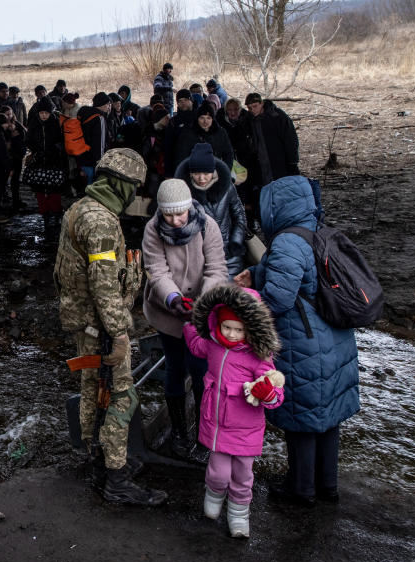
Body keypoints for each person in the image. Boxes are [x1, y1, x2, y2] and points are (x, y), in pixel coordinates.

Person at [234, 176, 359, 506]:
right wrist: (260, 272)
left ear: (277, 207)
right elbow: (306, 279)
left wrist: (242, 300)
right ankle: (327, 486)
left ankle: (301, 489)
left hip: (305, 343)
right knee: (328, 417)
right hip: (334, 338)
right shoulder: (317, 230)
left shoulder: (287, 242)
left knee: (301, 419)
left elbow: (278, 299)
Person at [53, 147, 166, 506]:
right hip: (99, 328)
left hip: (82, 323)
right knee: (120, 396)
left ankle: (98, 461)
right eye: (134, 187)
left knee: (92, 390)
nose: (135, 194)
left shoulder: (80, 207)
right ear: (122, 185)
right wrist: (119, 333)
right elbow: (103, 286)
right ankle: (115, 477)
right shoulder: (101, 222)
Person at [184, 284, 284, 538]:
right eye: (226, 326)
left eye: (238, 329)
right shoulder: (214, 344)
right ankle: (213, 499)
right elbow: (196, 345)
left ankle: (239, 515)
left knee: (242, 475)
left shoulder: (259, 356)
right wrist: (191, 320)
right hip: (217, 424)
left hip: (246, 429)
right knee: (218, 473)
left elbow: (274, 393)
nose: (231, 333)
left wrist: (267, 393)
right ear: (218, 322)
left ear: (249, 329)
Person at [142, 178, 229, 462]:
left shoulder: (207, 226)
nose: (176, 221)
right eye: (169, 215)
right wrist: (173, 299)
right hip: (168, 310)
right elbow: (156, 270)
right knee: (175, 368)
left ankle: (205, 434)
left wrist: (203, 303)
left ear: (189, 207)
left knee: (203, 372)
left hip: (202, 312)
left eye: (180, 214)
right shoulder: (153, 229)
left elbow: (217, 269)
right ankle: (179, 433)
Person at [175, 143, 247, 275]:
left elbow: (239, 215)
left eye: (206, 173)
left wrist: (236, 241)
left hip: (229, 256)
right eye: (196, 173)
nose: (201, 178)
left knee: (230, 293)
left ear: (213, 171)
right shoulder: (183, 193)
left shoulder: (227, 187)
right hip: (198, 260)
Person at [243, 93, 299, 221]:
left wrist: (292, 161)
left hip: (278, 162)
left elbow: (291, 140)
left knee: (283, 192)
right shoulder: (248, 120)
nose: (252, 110)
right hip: (260, 164)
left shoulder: (277, 116)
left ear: (262, 104)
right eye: (249, 107)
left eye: (255, 106)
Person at [25, 96, 66, 234]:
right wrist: (36, 151)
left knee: (54, 188)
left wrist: (54, 150)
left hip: (54, 160)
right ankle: (45, 214)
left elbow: (62, 141)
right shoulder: (33, 123)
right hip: (38, 160)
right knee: (40, 188)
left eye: (46, 113)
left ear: (51, 112)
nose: (44, 115)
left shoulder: (56, 123)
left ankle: (56, 213)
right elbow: (29, 139)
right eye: (41, 113)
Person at [173, 102, 235, 170]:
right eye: (202, 118)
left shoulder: (221, 133)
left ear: (212, 119)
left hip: (216, 172)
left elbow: (229, 153)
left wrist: (225, 170)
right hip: (195, 174)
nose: (205, 121)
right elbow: (181, 157)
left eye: (208, 118)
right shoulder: (187, 134)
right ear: (197, 119)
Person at [75, 92, 111, 185]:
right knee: (94, 192)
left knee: (86, 191)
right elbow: (100, 144)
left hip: (82, 158)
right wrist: (100, 163)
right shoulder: (99, 118)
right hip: (93, 162)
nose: (109, 107)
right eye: (108, 104)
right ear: (103, 104)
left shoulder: (84, 114)